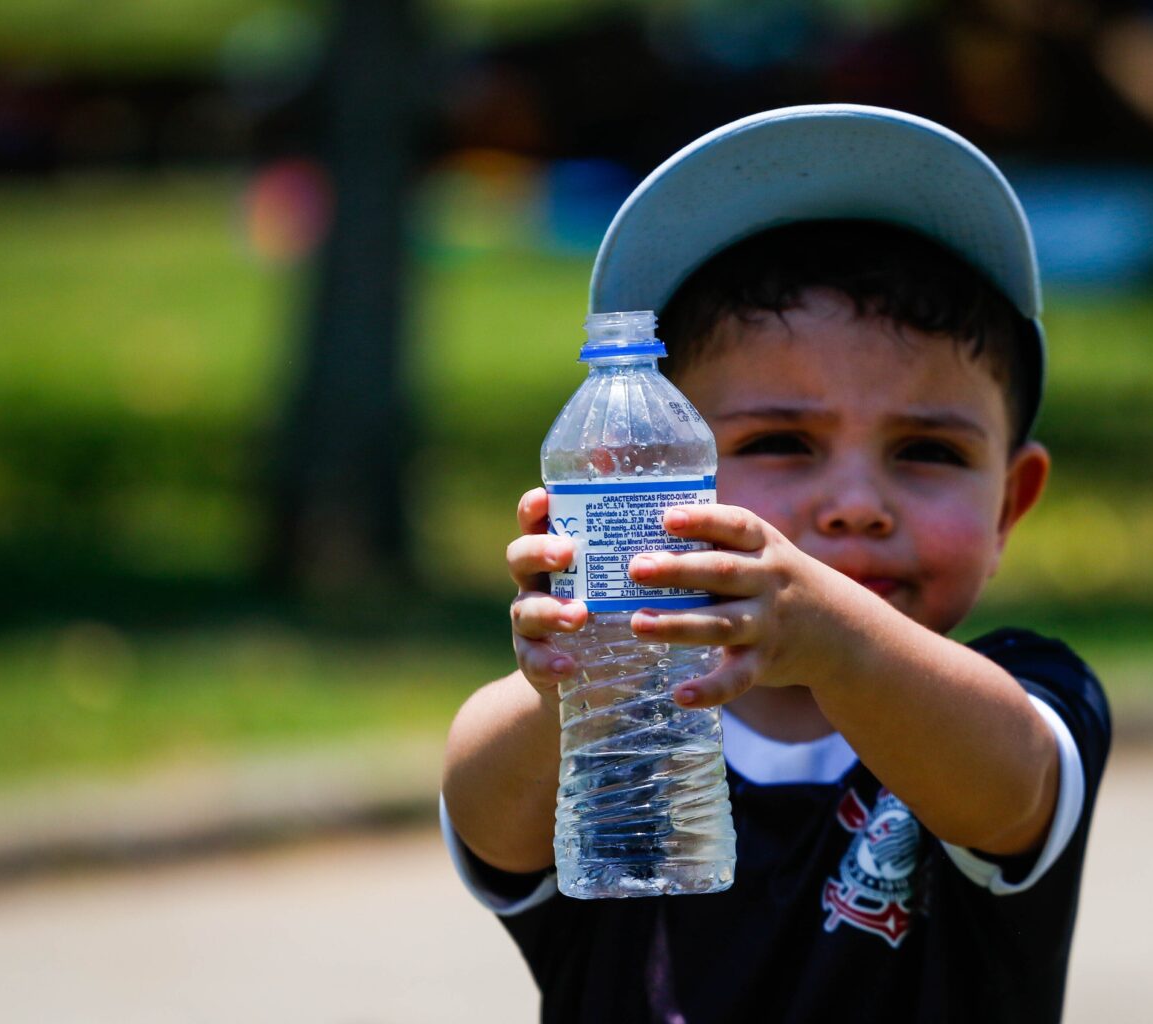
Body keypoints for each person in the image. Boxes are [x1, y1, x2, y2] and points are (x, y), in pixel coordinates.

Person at [440, 104, 1112, 1023]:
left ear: (1010, 506)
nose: (856, 504)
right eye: (784, 440)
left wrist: (832, 635)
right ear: (643, 487)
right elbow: (485, 817)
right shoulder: (613, 731)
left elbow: (1011, 789)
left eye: (928, 452)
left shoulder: (1020, 697)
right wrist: (575, 682)